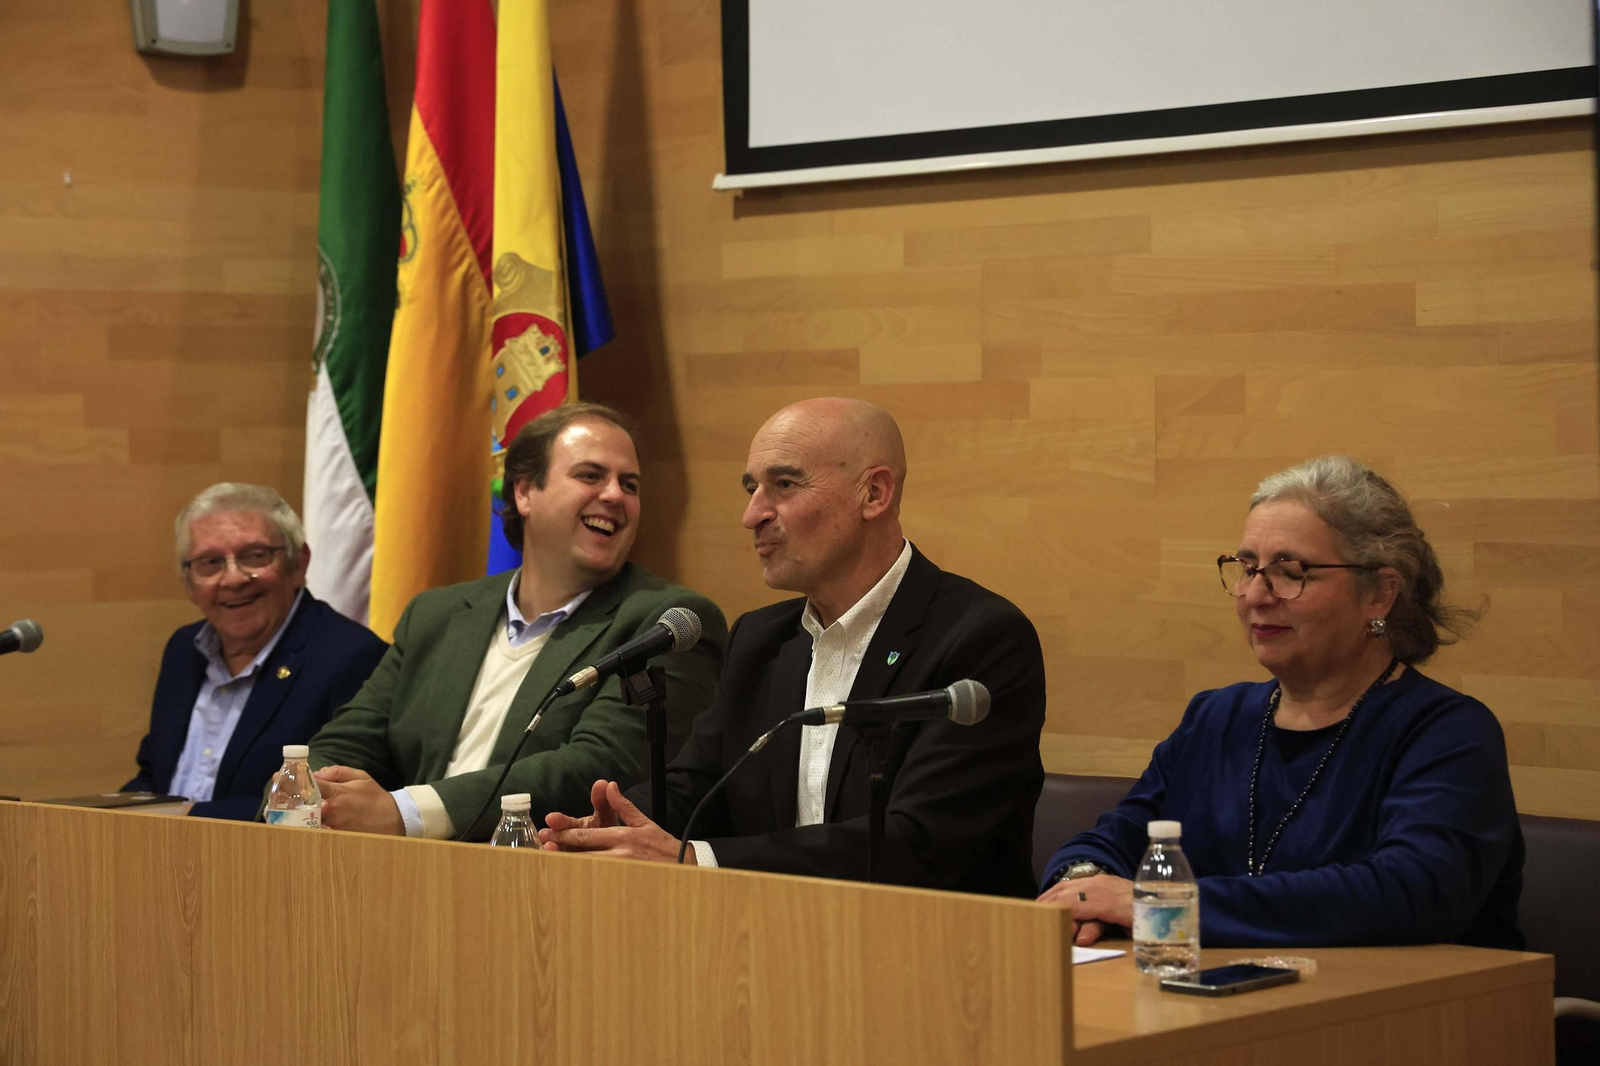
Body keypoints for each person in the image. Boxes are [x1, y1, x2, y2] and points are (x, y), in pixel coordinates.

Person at [539, 398, 1047, 897]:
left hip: (949, 952)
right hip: (775, 941)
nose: (752, 514)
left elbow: (919, 842)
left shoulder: (981, 638)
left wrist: (698, 859)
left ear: (873, 493)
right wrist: (613, 826)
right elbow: (697, 790)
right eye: (751, 488)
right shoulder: (761, 639)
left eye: (783, 484)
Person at [1039, 456, 1522, 949]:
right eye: (1247, 568)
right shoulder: (1216, 719)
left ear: (1380, 593)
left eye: (1290, 571)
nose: (1255, 594)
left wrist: (1162, 904)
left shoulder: (1445, 732)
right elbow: (1112, 841)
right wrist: (1081, 890)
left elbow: (1414, 891)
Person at [307, 403, 727, 841]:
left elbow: (600, 767)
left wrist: (405, 812)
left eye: (630, 484)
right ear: (525, 492)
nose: (615, 496)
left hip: (543, 882)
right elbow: (350, 739)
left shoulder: (664, 623)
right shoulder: (438, 614)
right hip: (405, 874)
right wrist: (308, 791)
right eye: (590, 475)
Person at [125, 484, 388, 821]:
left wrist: (185, 816)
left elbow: (331, 802)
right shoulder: (183, 649)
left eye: (255, 556)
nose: (233, 578)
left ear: (298, 564)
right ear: (189, 583)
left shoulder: (352, 658)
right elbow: (153, 776)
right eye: (210, 562)